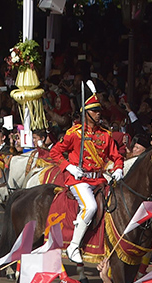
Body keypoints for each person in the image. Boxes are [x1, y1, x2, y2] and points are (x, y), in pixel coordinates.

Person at [49, 91, 125, 266]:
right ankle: (73, 246)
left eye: (100, 111)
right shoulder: (74, 133)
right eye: (95, 111)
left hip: (99, 180)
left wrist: (119, 168)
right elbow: (55, 152)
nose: (99, 114)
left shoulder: (106, 134)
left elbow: (116, 156)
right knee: (90, 207)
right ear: (86, 113)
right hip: (79, 179)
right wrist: (69, 166)